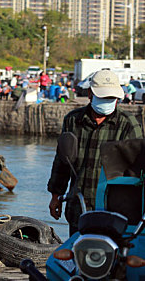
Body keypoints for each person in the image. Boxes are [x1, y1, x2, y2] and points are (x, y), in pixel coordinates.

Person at [47, 70, 143, 236]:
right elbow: (61, 161)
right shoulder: (73, 120)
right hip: (79, 206)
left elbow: (138, 169)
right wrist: (56, 196)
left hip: (115, 210)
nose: (107, 102)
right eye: (103, 97)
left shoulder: (128, 124)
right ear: (90, 94)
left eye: (111, 98)